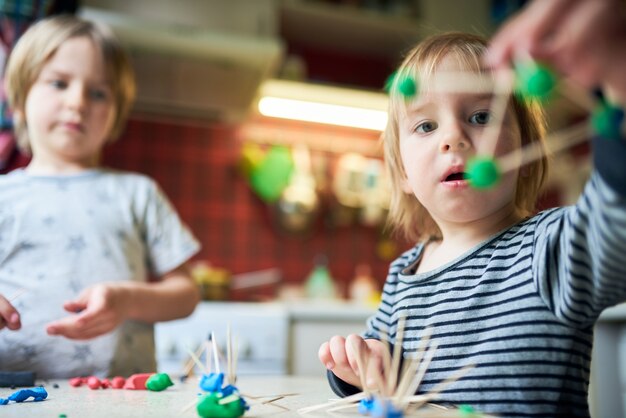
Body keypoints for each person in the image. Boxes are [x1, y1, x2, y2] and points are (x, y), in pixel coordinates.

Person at [318, 4, 626, 416]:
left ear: (525, 153)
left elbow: (616, 219)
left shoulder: (549, 248)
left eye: (481, 116)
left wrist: (619, 87)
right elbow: (380, 368)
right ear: (404, 174)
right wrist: (354, 366)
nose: (453, 138)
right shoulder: (404, 274)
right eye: (426, 126)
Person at [0, 15, 201, 378]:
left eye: (98, 92)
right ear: (19, 97)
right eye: (59, 83)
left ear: (116, 113)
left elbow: (186, 293)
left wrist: (128, 300)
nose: (77, 102)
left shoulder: (139, 193)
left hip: (123, 400)